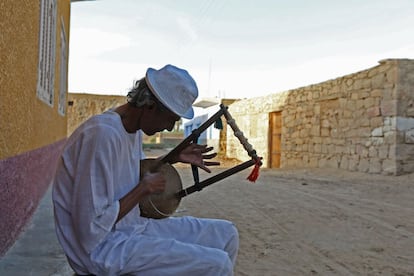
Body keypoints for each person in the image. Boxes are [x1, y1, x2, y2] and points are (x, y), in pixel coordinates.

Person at [52, 64, 239, 276]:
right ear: (150, 105)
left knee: (227, 234)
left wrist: (171, 158)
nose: (169, 128)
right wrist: (142, 190)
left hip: (133, 227)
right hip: (102, 249)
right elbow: (90, 229)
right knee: (217, 264)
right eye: (170, 119)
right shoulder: (101, 136)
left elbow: (132, 173)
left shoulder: (132, 131)